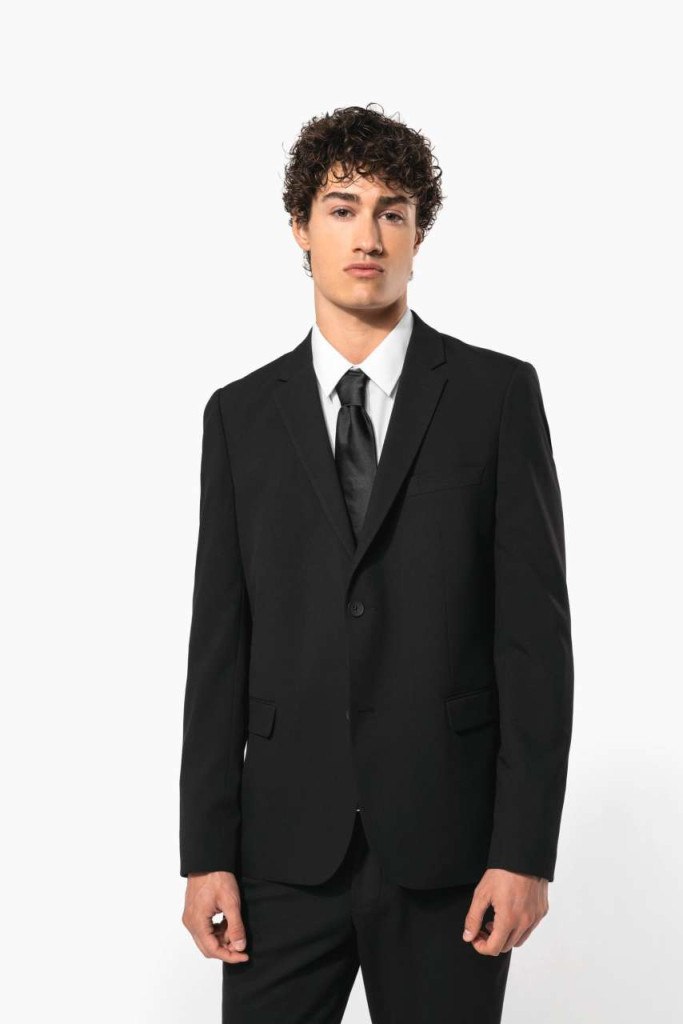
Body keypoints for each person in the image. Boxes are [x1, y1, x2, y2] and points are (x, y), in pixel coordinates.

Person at [179, 103, 574, 1024]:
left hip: (450, 853)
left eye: (392, 212)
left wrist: (523, 852)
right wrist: (205, 852)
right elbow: (217, 647)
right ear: (300, 228)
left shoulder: (494, 395)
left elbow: (533, 643)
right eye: (342, 208)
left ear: (417, 235)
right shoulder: (239, 416)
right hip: (280, 854)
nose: (368, 236)